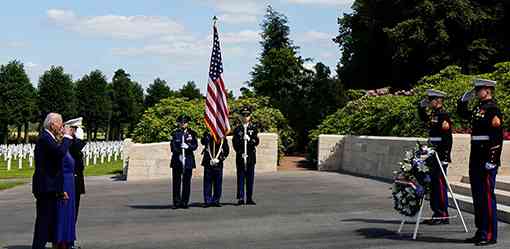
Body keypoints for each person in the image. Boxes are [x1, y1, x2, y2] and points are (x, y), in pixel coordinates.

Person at [458, 79, 503, 246]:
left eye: (479, 89)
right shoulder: (479, 108)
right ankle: (481, 231)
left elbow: (497, 137)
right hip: (476, 156)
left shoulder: (493, 109)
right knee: (477, 197)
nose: (476, 92)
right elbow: (463, 114)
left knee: (486, 196)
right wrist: (463, 100)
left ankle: (490, 234)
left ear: (488, 90)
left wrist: (492, 160)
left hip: (486, 158)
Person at [32, 113, 74, 249]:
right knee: (43, 224)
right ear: (52, 124)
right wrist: (67, 136)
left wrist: (60, 190)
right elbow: (59, 153)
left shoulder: (50, 138)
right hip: (45, 187)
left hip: (51, 187)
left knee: (49, 223)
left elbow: (55, 166)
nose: (62, 126)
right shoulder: (45, 138)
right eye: (60, 124)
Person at [418, 89, 452, 225]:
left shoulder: (443, 115)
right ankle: (437, 212)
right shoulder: (434, 114)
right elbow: (423, 118)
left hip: (440, 154)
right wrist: (421, 107)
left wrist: (444, 156)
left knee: (439, 184)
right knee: (433, 184)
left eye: (431, 99)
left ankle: (443, 214)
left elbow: (447, 138)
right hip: (433, 152)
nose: (429, 102)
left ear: (438, 100)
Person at [232, 107, 260, 205]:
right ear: (240, 117)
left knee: (250, 178)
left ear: (250, 116)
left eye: (247, 115)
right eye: (243, 115)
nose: (245, 117)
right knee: (240, 178)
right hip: (241, 156)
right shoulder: (237, 129)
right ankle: (240, 198)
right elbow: (234, 143)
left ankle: (249, 198)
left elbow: (256, 141)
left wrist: (249, 140)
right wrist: (241, 152)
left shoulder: (253, 128)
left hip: (250, 157)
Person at [170, 114, 198, 209]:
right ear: (178, 123)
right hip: (177, 160)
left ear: (187, 123)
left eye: (185, 122)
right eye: (181, 122)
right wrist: (180, 154)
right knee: (176, 182)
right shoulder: (175, 133)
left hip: (188, 160)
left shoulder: (192, 133)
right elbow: (172, 147)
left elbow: (195, 146)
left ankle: (185, 202)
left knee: (187, 182)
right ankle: (176, 202)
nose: (183, 124)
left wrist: (188, 147)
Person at [66, 118, 86, 249]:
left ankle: (69, 242)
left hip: (76, 183)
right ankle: (68, 243)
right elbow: (77, 147)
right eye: (78, 129)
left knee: (74, 215)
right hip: (71, 183)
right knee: (70, 215)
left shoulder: (72, 143)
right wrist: (77, 138)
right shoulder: (70, 143)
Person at [201, 131, 229, 207]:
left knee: (218, 183)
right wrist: (208, 136)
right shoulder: (207, 135)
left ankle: (216, 200)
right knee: (207, 182)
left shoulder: (222, 137)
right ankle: (208, 200)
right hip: (208, 162)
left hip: (218, 163)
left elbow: (226, 151)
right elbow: (202, 142)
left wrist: (220, 159)